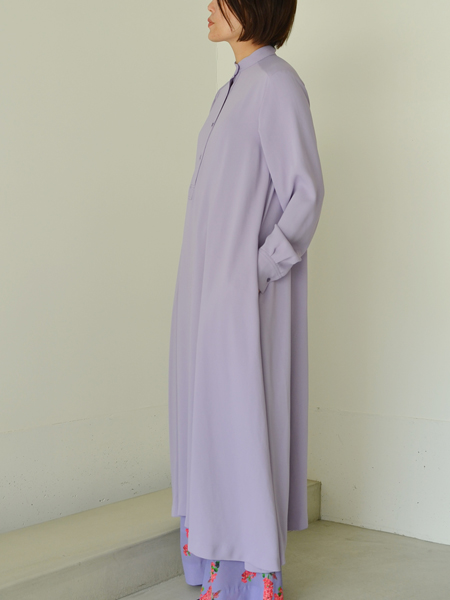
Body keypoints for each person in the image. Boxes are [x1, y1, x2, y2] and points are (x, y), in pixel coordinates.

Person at [168, 0, 325, 597]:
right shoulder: (230, 90)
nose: (208, 6)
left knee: (239, 422)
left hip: (241, 301)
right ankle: (212, 561)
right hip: (206, 296)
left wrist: (256, 271)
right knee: (208, 420)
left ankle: (248, 577)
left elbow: (305, 194)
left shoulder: (277, 85)